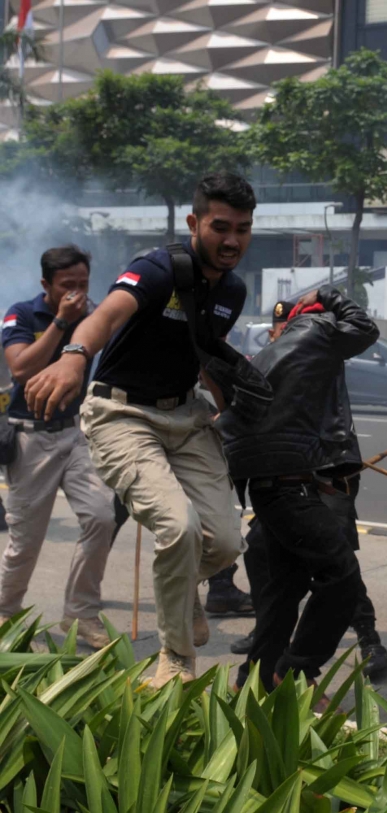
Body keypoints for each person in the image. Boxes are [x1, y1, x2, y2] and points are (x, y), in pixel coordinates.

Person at [24, 173, 255, 688]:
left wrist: (235, 409)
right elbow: (105, 315)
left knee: (222, 544)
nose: (232, 240)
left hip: (186, 416)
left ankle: (180, 590)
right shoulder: (158, 268)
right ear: (195, 223)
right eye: (220, 226)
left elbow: (204, 356)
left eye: (243, 228)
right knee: (178, 529)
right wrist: (74, 356)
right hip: (122, 415)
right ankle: (175, 661)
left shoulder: (233, 290)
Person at [218, 287, 380, 696]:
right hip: (294, 487)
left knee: (282, 595)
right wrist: (329, 294)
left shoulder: (272, 353)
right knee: (340, 575)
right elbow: (364, 328)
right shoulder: (318, 335)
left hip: (274, 486)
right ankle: (294, 673)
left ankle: (249, 682)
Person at [0, 245, 118, 648]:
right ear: (46, 284)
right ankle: (6, 610)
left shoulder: (94, 314)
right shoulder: (22, 313)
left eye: (83, 284)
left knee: (102, 517)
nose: (77, 293)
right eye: (68, 285)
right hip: (31, 437)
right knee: (26, 539)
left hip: (77, 432)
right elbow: (20, 368)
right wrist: (61, 323)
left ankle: (81, 614)